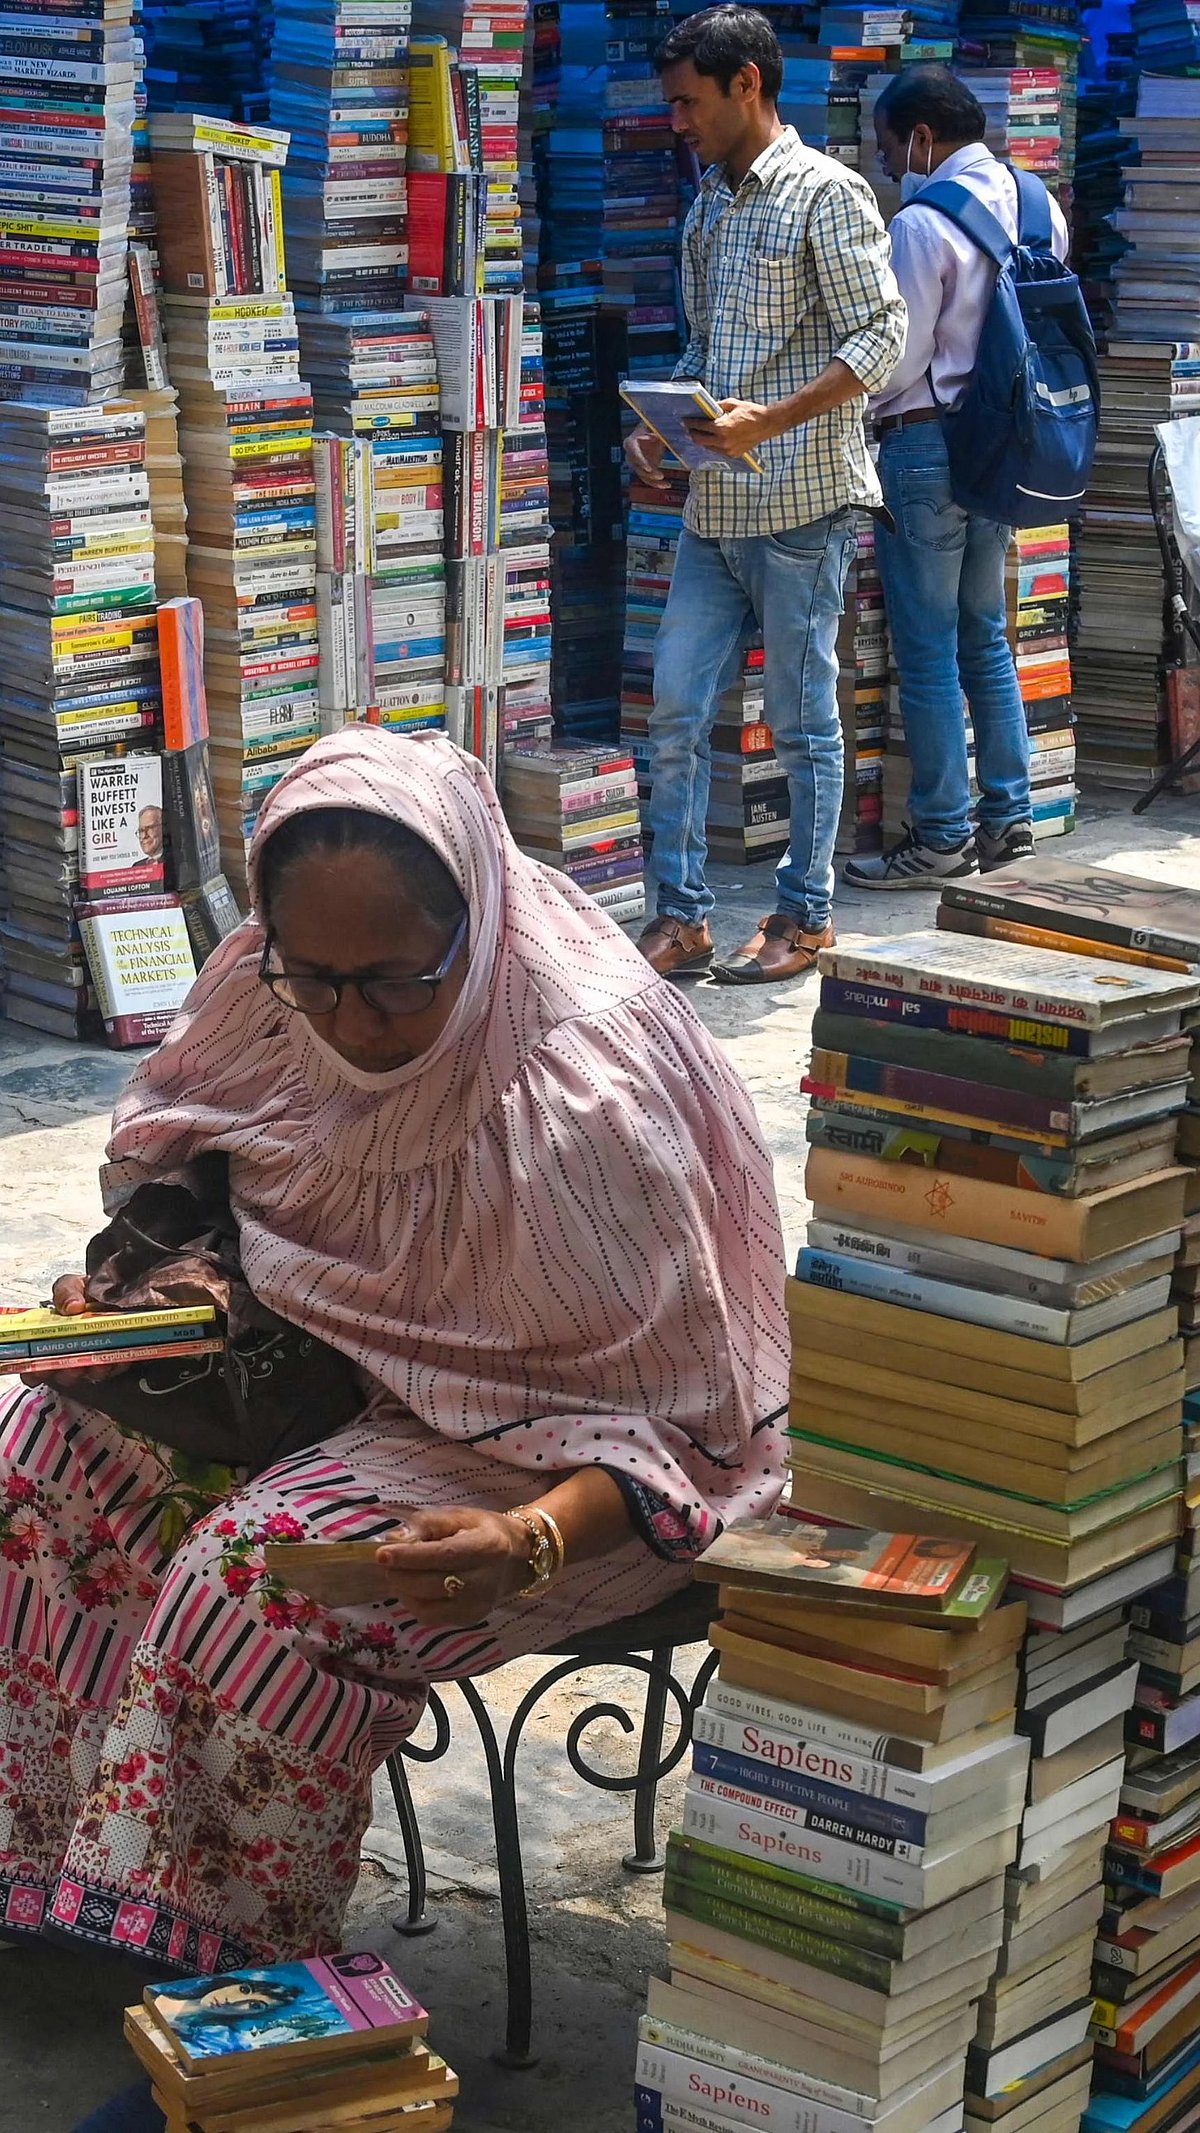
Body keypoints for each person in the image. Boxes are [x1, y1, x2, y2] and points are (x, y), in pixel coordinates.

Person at [0, 726, 788, 1988]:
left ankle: (227, 1966)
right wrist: (144, 1295)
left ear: (477, 925)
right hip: (312, 1375)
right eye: (311, 978)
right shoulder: (265, 989)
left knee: (262, 1576)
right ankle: (53, 1873)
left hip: (560, 1464)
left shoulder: (585, 1096)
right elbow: (190, 1157)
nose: (350, 1022)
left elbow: (694, 1431)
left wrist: (526, 1543)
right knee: (42, 1454)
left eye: (395, 983)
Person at [626, 5, 905, 983]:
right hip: (715, 513)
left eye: (689, 102)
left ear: (747, 85)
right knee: (671, 708)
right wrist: (663, 424)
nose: (678, 121)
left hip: (804, 510)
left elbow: (881, 337)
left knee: (801, 723)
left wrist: (766, 422)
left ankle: (805, 913)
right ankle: (684, 914)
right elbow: (708, 350)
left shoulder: (828, 194)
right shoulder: (709, 203)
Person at [843, 66, 1070, 891]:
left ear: (922, 139)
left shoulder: (921, 222)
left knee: (929, 650)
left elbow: (897, 360)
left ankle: (940, 835)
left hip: (924, 446)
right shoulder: (1040, 205)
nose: (886, 163)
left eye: (887, 146)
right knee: (987, 635)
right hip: (1006, 446)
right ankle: (1009, 818)